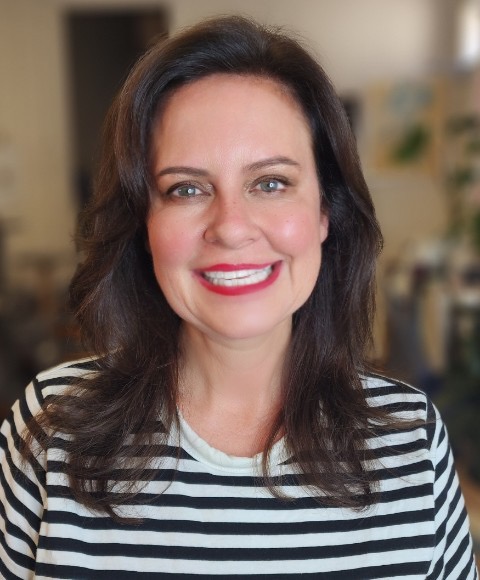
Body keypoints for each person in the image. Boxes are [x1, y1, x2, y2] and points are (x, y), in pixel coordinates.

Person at [0, 16, 477, 579]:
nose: (231, 227)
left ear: (326, 211)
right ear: (142, 223)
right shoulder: (53, 427)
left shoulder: (409, 441)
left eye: (270, 182)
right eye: (187, 189)